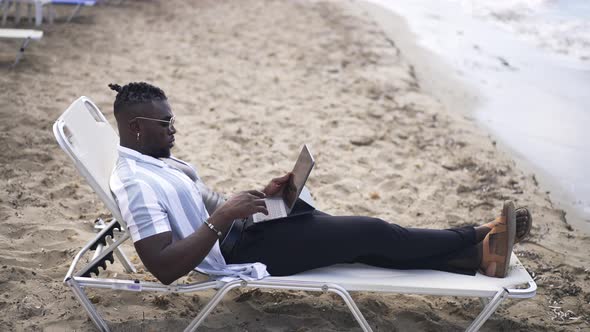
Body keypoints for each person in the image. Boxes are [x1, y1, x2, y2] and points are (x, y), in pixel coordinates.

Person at [108, 82, 532, 285]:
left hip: (246, 229)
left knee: (361, 241)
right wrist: (225, 216)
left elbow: (199, 209)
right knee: (372, 231)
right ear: (137, 128)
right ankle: (478, 234)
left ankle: (472, 259)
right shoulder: (135, 184)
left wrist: (260, 195)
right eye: (167, 124)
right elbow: (164, 268)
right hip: (238, 251)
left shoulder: (155, 159)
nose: (174, 130)